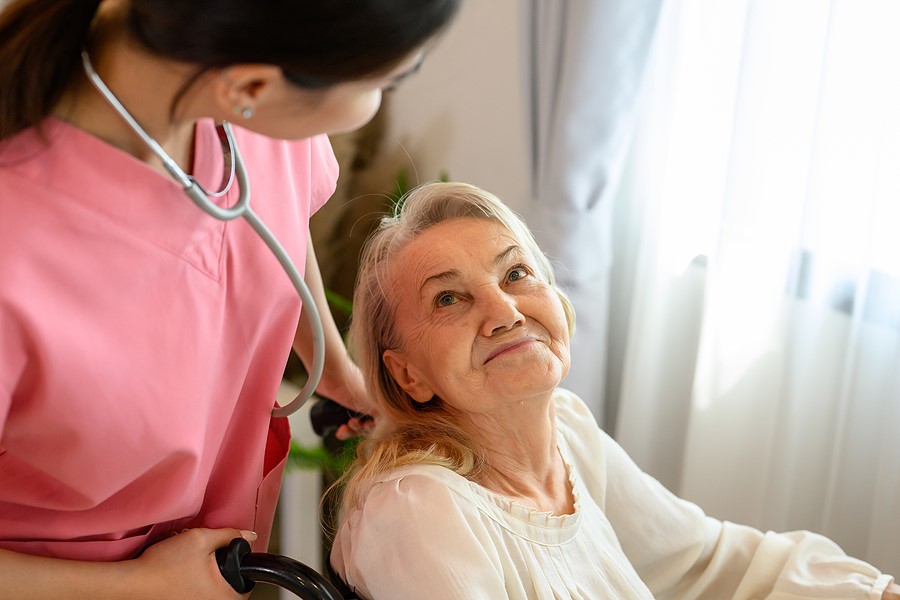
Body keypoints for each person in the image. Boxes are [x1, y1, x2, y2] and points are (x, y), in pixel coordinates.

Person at [0, 0, 460, 597]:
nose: (391, 88)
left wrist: (336, 367)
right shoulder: (17, 244)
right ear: (251, 84)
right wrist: (140, 587)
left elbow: (270, 218)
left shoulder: (236, 87)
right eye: (388, 80)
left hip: (217, 559)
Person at [329, 181, 899, 600]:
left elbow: (703, 562)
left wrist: (871, 593)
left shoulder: (569, 433)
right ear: (407, 375)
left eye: (516, 274)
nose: (504, 312)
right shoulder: (418, 511)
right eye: (448, 299)